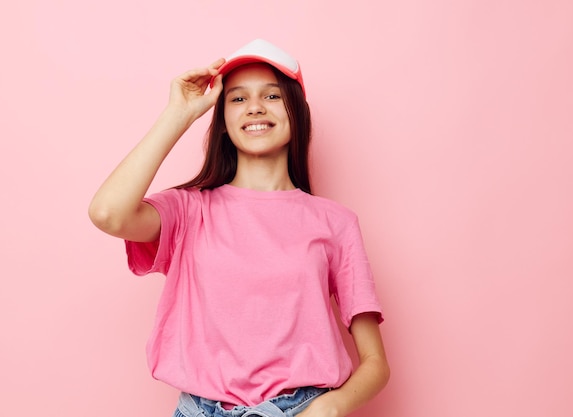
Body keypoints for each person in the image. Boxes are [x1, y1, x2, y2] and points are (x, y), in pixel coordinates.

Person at [88, 39, 389, 417]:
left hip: (299, 410)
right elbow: (107, 213)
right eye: (238, 99)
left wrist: (332, 407)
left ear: (296, 112)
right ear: (223, 120)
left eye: (273, 96)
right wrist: (178, 113)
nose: (256, 108)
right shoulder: (190, 209)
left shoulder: (336, 223)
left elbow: (375, 361)